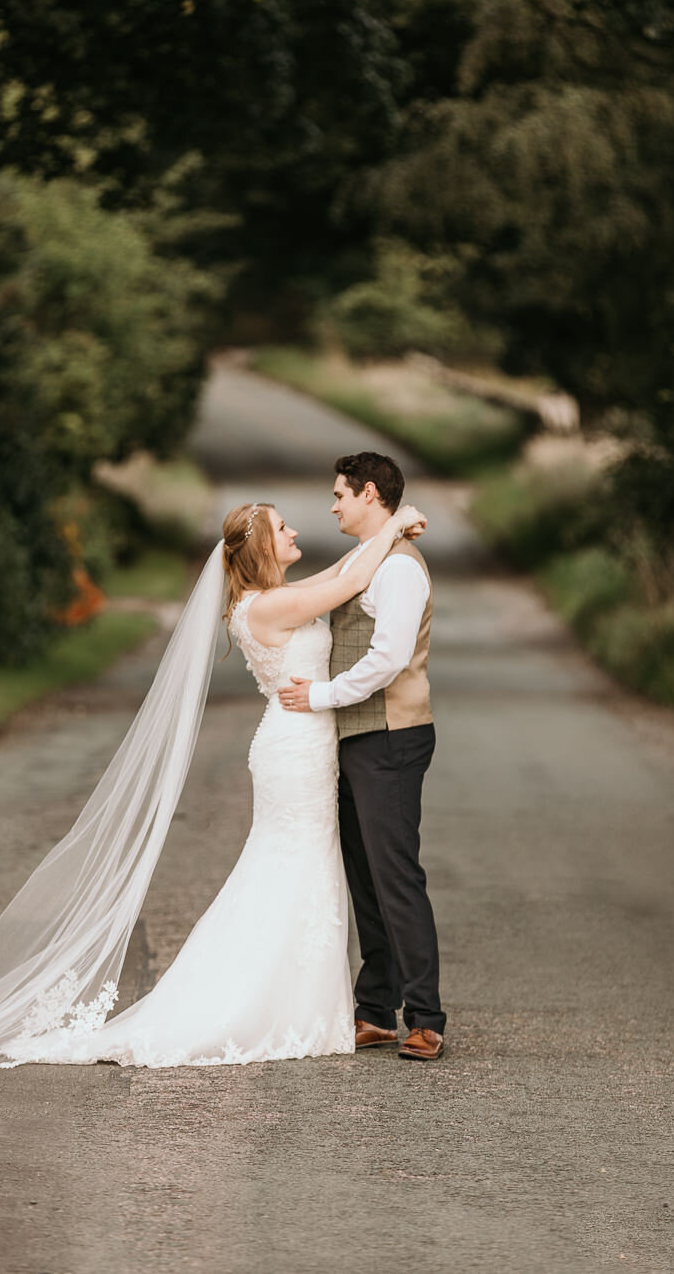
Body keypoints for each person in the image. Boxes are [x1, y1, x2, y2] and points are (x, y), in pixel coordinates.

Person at [0, 497, 424, 1070]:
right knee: (290, 864)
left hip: (304, 745)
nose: (295, 530)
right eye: (283, 526)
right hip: (294, 750)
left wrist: (386, 533)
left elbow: (341, 572)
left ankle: (304, 1002)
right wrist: (394, 523)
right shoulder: (269, 609)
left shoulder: (271, 598)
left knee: (305, 865)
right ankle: (263, 1004)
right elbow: (348, 584)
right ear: (264, 548)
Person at [279, 452, 446, 1062]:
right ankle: (375, 1011)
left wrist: (319, 696)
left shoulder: (399, 570)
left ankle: (425, 1018)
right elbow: (329, 589)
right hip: (357, 739)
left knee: (397, 877)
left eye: (340, 495)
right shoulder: (367, 557)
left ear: (369, 493)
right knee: (367, 880)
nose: (333, 505)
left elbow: (387, 660)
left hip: (391, 737)